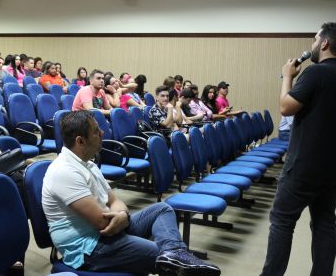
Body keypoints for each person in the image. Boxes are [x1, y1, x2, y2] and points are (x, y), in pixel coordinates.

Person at [42, 111, 220, 275]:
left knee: (162, 209)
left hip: (109, 232)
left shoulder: (88, 164)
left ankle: (175, 252)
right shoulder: (64, 171)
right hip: (88, 248)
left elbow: (114, 201)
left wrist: (122, 214)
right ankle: (173, 259)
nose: (102, 133)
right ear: (80, 141)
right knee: (160, 255)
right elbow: (102, 223)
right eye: (96, 131)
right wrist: (123, 217)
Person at [260, 22, 336, 276]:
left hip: (304, 167)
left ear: (325, 43)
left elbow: (286, 107)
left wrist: (287, 76)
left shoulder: (315, 73)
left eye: (315, 39)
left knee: (282, 221)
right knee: (324, 224)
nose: (313, 44)